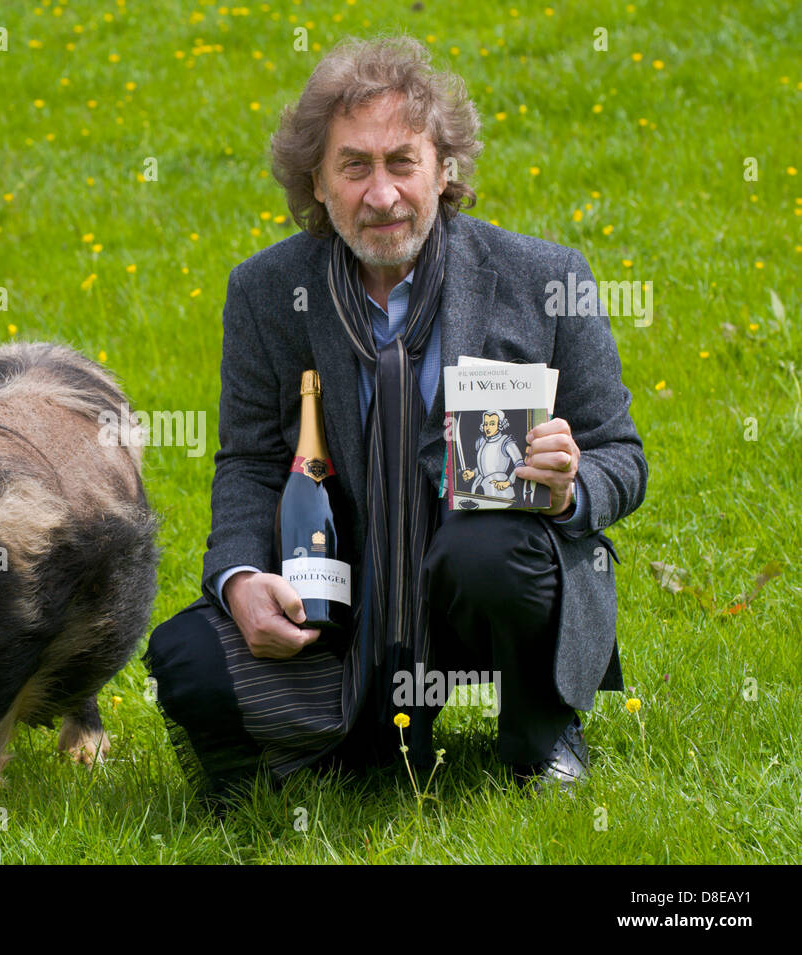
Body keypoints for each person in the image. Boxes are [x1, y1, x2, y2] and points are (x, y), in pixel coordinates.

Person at [144, 34, 647, 806]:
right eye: (354, 166)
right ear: (316, 181)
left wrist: (571, 488)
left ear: (445, 169)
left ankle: (541, 728)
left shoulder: (545, 278)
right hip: (341, 594)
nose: (381, 195)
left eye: (401, 162)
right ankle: (358, 726)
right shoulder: (265, 292)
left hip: (483, 583)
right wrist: (240, 579)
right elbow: (247, 460)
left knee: (488, 545)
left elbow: (623, 455)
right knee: (185, 658)